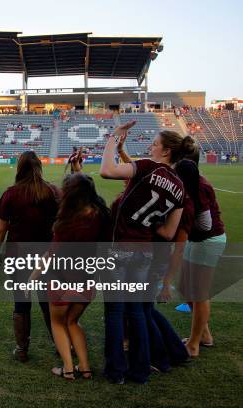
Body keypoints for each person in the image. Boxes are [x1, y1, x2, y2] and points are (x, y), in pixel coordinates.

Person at [99, 122, 196, 384]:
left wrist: (113, 138)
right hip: (145, 253)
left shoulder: (147, 167)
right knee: (137, 312)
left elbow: (106, 171)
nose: (150, 146)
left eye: (155, 143)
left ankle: (116, 371)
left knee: (116, 312)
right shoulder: (180, 187)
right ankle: (140, 371)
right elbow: (167, 233)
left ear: (166, 151)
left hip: (120, 248)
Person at [29, 173, 111, 380]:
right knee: (73, 321)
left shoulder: (67, 220)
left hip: (61, 280)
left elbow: (51, 254)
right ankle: (85, 368)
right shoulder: (101, 215)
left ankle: (67, 368)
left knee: (58, 323)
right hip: (87, 280)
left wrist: (32, 277)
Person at [0, 151, 60, 362]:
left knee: (21, 302)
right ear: (39, 167)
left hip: (18, 255)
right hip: (46, 256)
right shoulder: (52, 191)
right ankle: (61, 345)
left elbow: (2, 229)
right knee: (47, 301)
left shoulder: (11, 193)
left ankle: (22, 349)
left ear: (19, 168)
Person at [179, 152, 226, 357]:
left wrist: (182, 224)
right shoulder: (192, 186)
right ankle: (204, 335)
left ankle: (195, 343)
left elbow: (205, 225)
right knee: (185, 287)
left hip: (208, 241)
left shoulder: (200, 188)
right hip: (197, 240)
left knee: (200, 293)